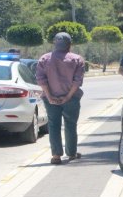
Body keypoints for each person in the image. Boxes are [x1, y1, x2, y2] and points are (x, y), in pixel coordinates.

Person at [36, 32, 86, 164]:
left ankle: (56, 155)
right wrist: (68, 97)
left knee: (53, 125)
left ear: (54, 43)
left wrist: (49, 96)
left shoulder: (44, 59)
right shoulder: (77, 59)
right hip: (72, 98)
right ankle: (71, 153)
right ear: (70, 44)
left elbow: (41, 80)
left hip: (50, 99)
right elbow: (77, 81)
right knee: (70, 125)